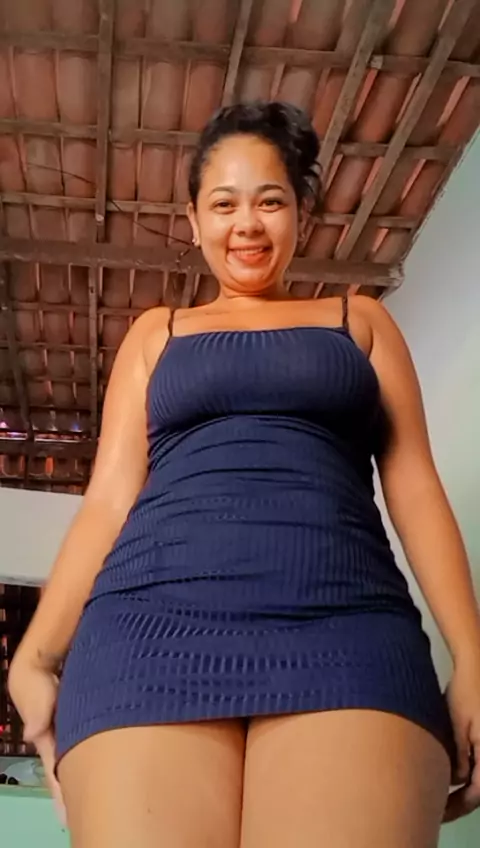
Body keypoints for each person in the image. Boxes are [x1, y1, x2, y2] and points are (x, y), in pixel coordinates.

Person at [8, 101, 480, 847]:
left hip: (347, 629)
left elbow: (415, 488)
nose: (247, 225)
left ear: (301, 215)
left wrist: (475, 657)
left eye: (270, 201)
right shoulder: (156, 335)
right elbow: (107, 502)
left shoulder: (360, 323)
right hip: (146, 635)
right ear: (194, 221)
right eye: (224, 204)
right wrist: (34, 658)